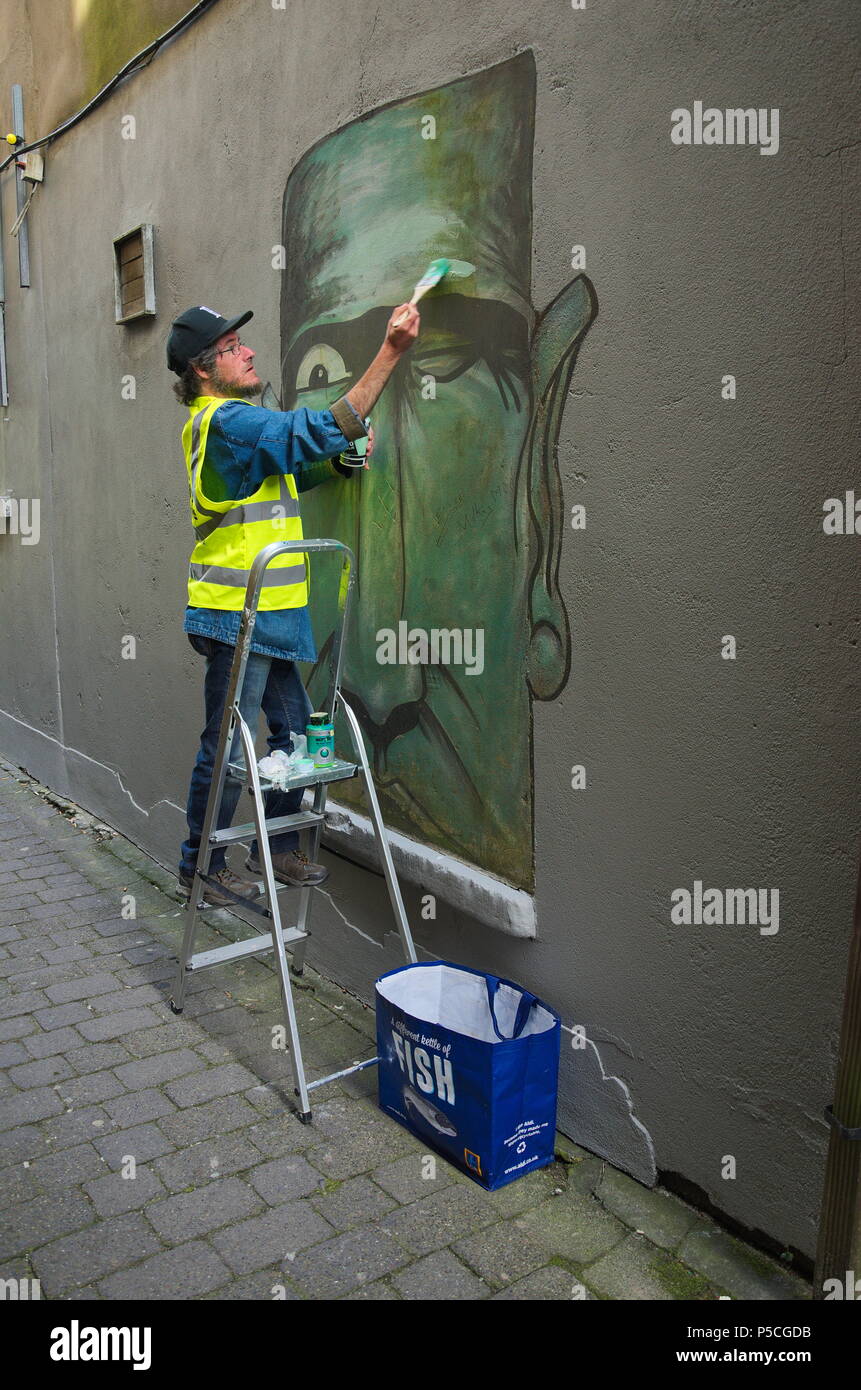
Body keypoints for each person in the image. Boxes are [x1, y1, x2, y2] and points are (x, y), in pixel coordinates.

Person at [166, 300, 420, 906]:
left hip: (272, 617)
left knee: (299, 739)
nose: (248, 350)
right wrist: (391, 351)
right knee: (228, 744)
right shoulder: (225, 422)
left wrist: (339, 460)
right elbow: (307, 431)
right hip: (236, 617)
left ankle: (274, 848)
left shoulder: (242, 435)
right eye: (232, 346)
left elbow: (297, 465)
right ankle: (201, 866)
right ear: (204, 370)